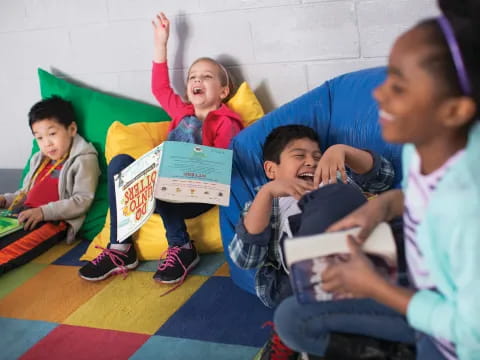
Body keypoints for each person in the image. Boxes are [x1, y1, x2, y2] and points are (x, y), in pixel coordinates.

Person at [273, 1, 480, 359]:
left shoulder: (467, 209)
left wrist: (373, 287)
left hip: (453, 340)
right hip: (418, 286)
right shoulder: (422, 148)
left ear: (454, 111)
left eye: (399, 88)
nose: (378, 94)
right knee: (291, 317)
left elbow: (470, 331)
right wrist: (382, 207)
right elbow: (416, 195)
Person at [79, 12, 243, 286]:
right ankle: (121, 248)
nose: (196, 81)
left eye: (206, 77)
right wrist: (161, 44)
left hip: (199, 193)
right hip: (160, 189)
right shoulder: (182, 111)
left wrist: (183, 166)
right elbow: (160, 87)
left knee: (164, 174)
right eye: (192, 77)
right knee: (119, 163)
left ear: (223, 91)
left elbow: (223, 164)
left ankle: (181, 247)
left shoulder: (226, 122)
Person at [228, 124, 395, 359]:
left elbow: (383, 178)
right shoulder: (267, 203)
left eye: (317, 156)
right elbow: (245, 258)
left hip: (360, 253)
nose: (312, 162)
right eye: (299, 156)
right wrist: (266, 193)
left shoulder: (337, 180)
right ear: (271, 170)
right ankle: (298, 338)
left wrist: (342, 151)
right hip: (302, 277)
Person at [0, 96, 100, 275]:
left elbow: (82, 200)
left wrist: (43, 212)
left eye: (52, 134)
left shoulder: (84, 159)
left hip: (51, 222)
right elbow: (25, 193)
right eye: (39, 138)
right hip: (20, 214)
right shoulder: (39, 159)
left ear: (72, 129)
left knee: (7, 253)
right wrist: (5, 200)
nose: (47, 143)